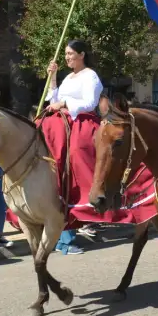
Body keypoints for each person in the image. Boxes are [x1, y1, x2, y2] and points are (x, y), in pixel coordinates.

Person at [41, 39, 105, 256]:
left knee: (75, 157)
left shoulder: (91, 76)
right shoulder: (68, 77)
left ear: (82, 54)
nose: (67, 57)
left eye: (70, 53)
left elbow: (90, 103)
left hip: (82, 123)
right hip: (61, 120)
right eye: (66, 54)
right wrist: (52, 79)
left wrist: (65, 104)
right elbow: (55, 99)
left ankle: (87, 200)